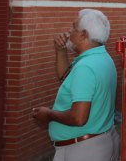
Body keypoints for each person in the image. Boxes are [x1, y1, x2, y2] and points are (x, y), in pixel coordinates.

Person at [31, 9, 119, 160]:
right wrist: (60, 50)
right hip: (99, 142)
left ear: (84, 34)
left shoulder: (85, 67)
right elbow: (66, 78)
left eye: (73, 27)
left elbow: (78, 118)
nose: (69, 31)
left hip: (82, 150)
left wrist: (48, 114)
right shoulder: (102, 57)